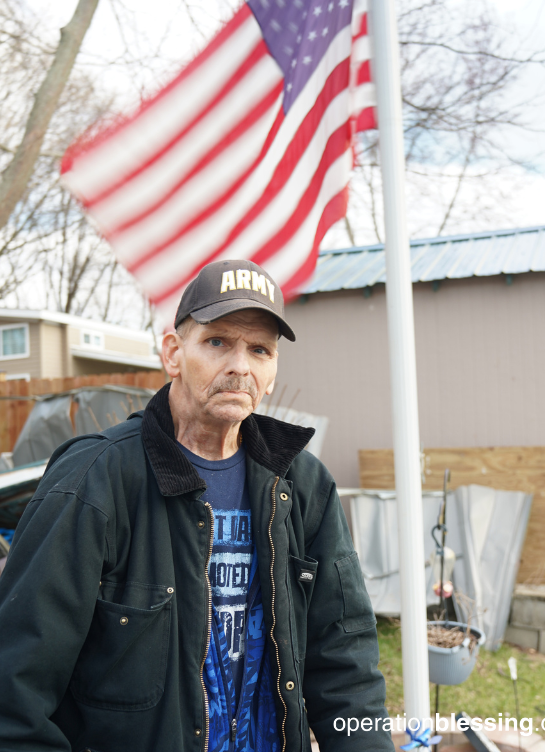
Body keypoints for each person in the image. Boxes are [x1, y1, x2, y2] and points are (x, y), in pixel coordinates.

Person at [0, 259, 394, 752]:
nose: (241, 367)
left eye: (260, 350)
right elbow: (15, 691)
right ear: (173, 353)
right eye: (218, 342)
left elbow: (346, 661)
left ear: (273, 372)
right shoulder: (93, 481)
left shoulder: (303, 485)